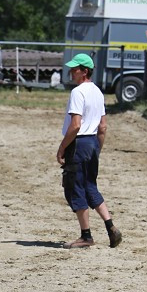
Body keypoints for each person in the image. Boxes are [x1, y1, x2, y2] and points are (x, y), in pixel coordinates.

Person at [57, 53, 122, 249]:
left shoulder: (78, 92)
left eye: (75, 69)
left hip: (79, 144)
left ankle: (86, 236)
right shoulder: (98, 92)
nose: (71, 71)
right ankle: (110, 226)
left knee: (75, 187)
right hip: (92, 142)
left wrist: (62, 148)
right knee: (90, 186)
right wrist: (97, 149)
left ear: (84, 71)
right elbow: (103, 126)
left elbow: (76, 125)